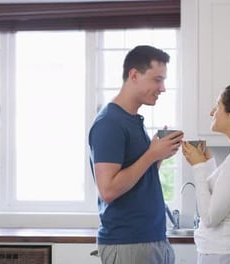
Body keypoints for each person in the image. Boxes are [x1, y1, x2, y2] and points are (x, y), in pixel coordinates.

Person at [88, 45, 183, 264]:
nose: (163, 88)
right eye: (157, 80)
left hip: (150, 239)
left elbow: (137, 177)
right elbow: (108, 190)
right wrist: (150, 155)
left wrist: (158, 155)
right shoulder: (109, 123)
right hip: (129, 243)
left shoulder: (132, 120)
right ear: (134, 75)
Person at [182, 83, 230, 264]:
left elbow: (210, 218)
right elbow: (222, 196)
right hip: (225, 254)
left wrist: (198, 167)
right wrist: (209, 164)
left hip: (224, 255)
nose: (212, 112)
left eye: (218, 105)